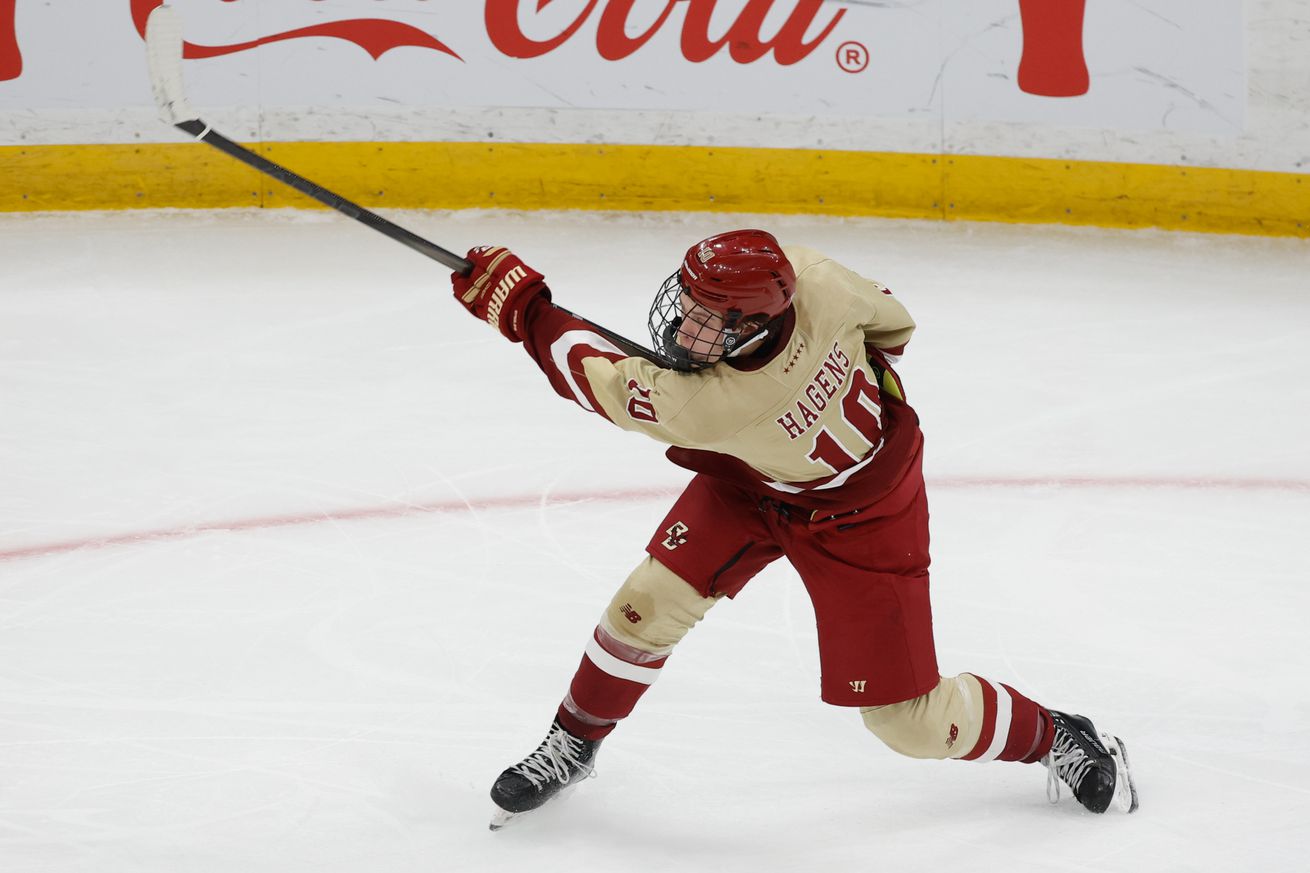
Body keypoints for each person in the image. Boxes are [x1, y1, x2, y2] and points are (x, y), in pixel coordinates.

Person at [450, 230, 1139, 830]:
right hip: (755, 483)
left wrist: (524, 308)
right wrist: (833, 399)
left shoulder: (707, 403)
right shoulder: (812, 276)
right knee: (647, 602)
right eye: (686, 303)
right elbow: (893, 328)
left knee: (910, 721)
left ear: (751, 326)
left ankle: (1055, 734)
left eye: (706, 319)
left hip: (864, 517)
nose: (683, 327)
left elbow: (591, 374)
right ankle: (574, 742)